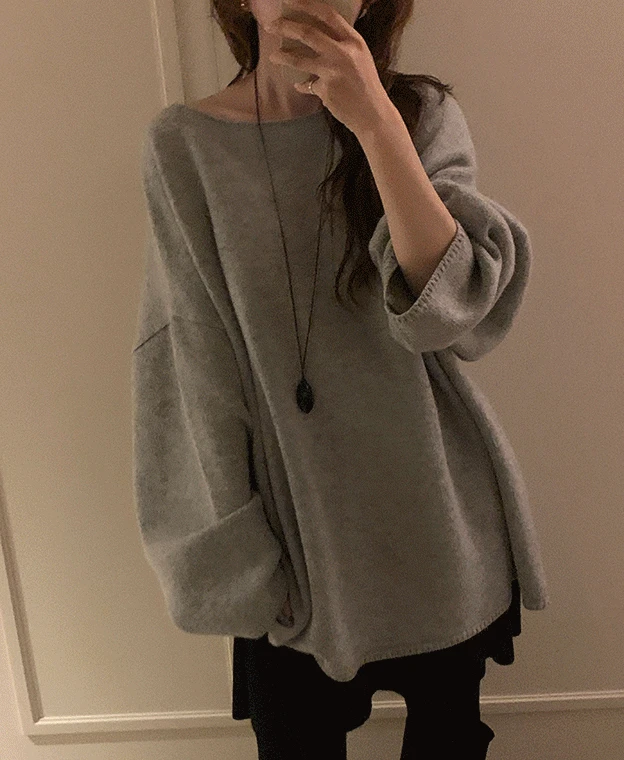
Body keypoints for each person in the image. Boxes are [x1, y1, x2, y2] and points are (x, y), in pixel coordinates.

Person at [131, 0, 550, 757]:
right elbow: (193, 362)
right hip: (296, 536)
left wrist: (375, 122)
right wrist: (238, 550)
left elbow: (451, 315)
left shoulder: (419, 116)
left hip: (437, 516)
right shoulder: (185, 144)